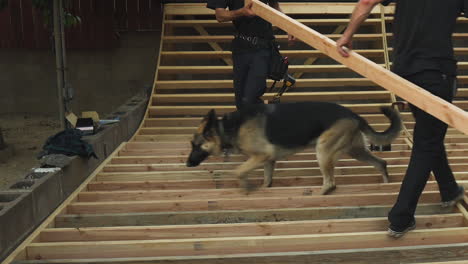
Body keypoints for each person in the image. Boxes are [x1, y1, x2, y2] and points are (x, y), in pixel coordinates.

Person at [336, 0, 466, 238]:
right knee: (428, 140)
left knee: (429, 134)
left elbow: (366, 2)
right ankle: (401, 217)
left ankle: (449, 190)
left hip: (404, 73)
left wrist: (347, 35)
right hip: (437, 72)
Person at [206, 0, 295, 109]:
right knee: (240, 102)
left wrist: (289, 27)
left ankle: (267, 122)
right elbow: (220, 15)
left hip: (262, 49)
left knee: (250, 98)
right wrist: (242, 12)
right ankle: (256, 123)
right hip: (240, 50)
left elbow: (274, 6)